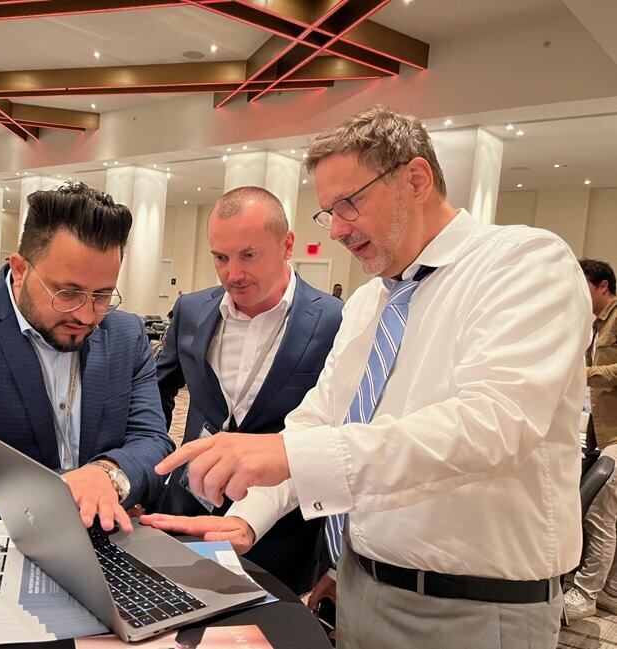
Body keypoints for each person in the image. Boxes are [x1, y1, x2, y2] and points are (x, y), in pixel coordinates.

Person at [141, 106, 591, 648]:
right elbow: (320, 420)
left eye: (349, 203)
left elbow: (493, 425)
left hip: (471, 607)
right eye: (328, 211)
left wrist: (286, 456)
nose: (336, 229)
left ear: (416, 179)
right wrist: (249, 518)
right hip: (357, 584)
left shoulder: (522, 263)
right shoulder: (367, 305)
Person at [0, 182, 174, 533]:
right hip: (3, 542)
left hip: (109, 541)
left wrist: (107, 477)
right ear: (21, 269)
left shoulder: (125, 335)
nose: (86, 316)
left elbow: (153, 442)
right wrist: (69, 488)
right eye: (67, 293)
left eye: (102, 296)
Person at [154, 186, 343, 593]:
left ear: (287, 244)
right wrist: (151, 473)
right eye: (220, 257)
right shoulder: (191, 310)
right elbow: (157, 395)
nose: (232, 274)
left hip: (281, 530)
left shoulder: (335, 321)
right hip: (187, 510)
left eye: (248, 255)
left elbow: (336, 434)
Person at [564, 259, 617, 620]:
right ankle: (611, 590)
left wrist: (582, 373)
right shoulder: (596, 325)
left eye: (583, 286)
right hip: (603, 428)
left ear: (602, 286)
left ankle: (585, 594)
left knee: (599, 510)